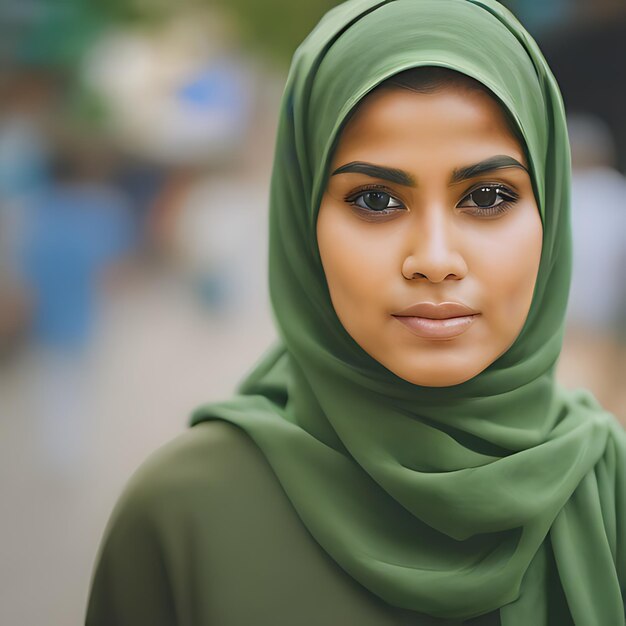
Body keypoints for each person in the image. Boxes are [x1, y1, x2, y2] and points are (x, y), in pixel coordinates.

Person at [85, 1, 626, 625]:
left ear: (550, 212)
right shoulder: (184, 517)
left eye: (486, 196)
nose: (434, 259)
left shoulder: (609, 497)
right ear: (302, 220)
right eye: (375, 199)